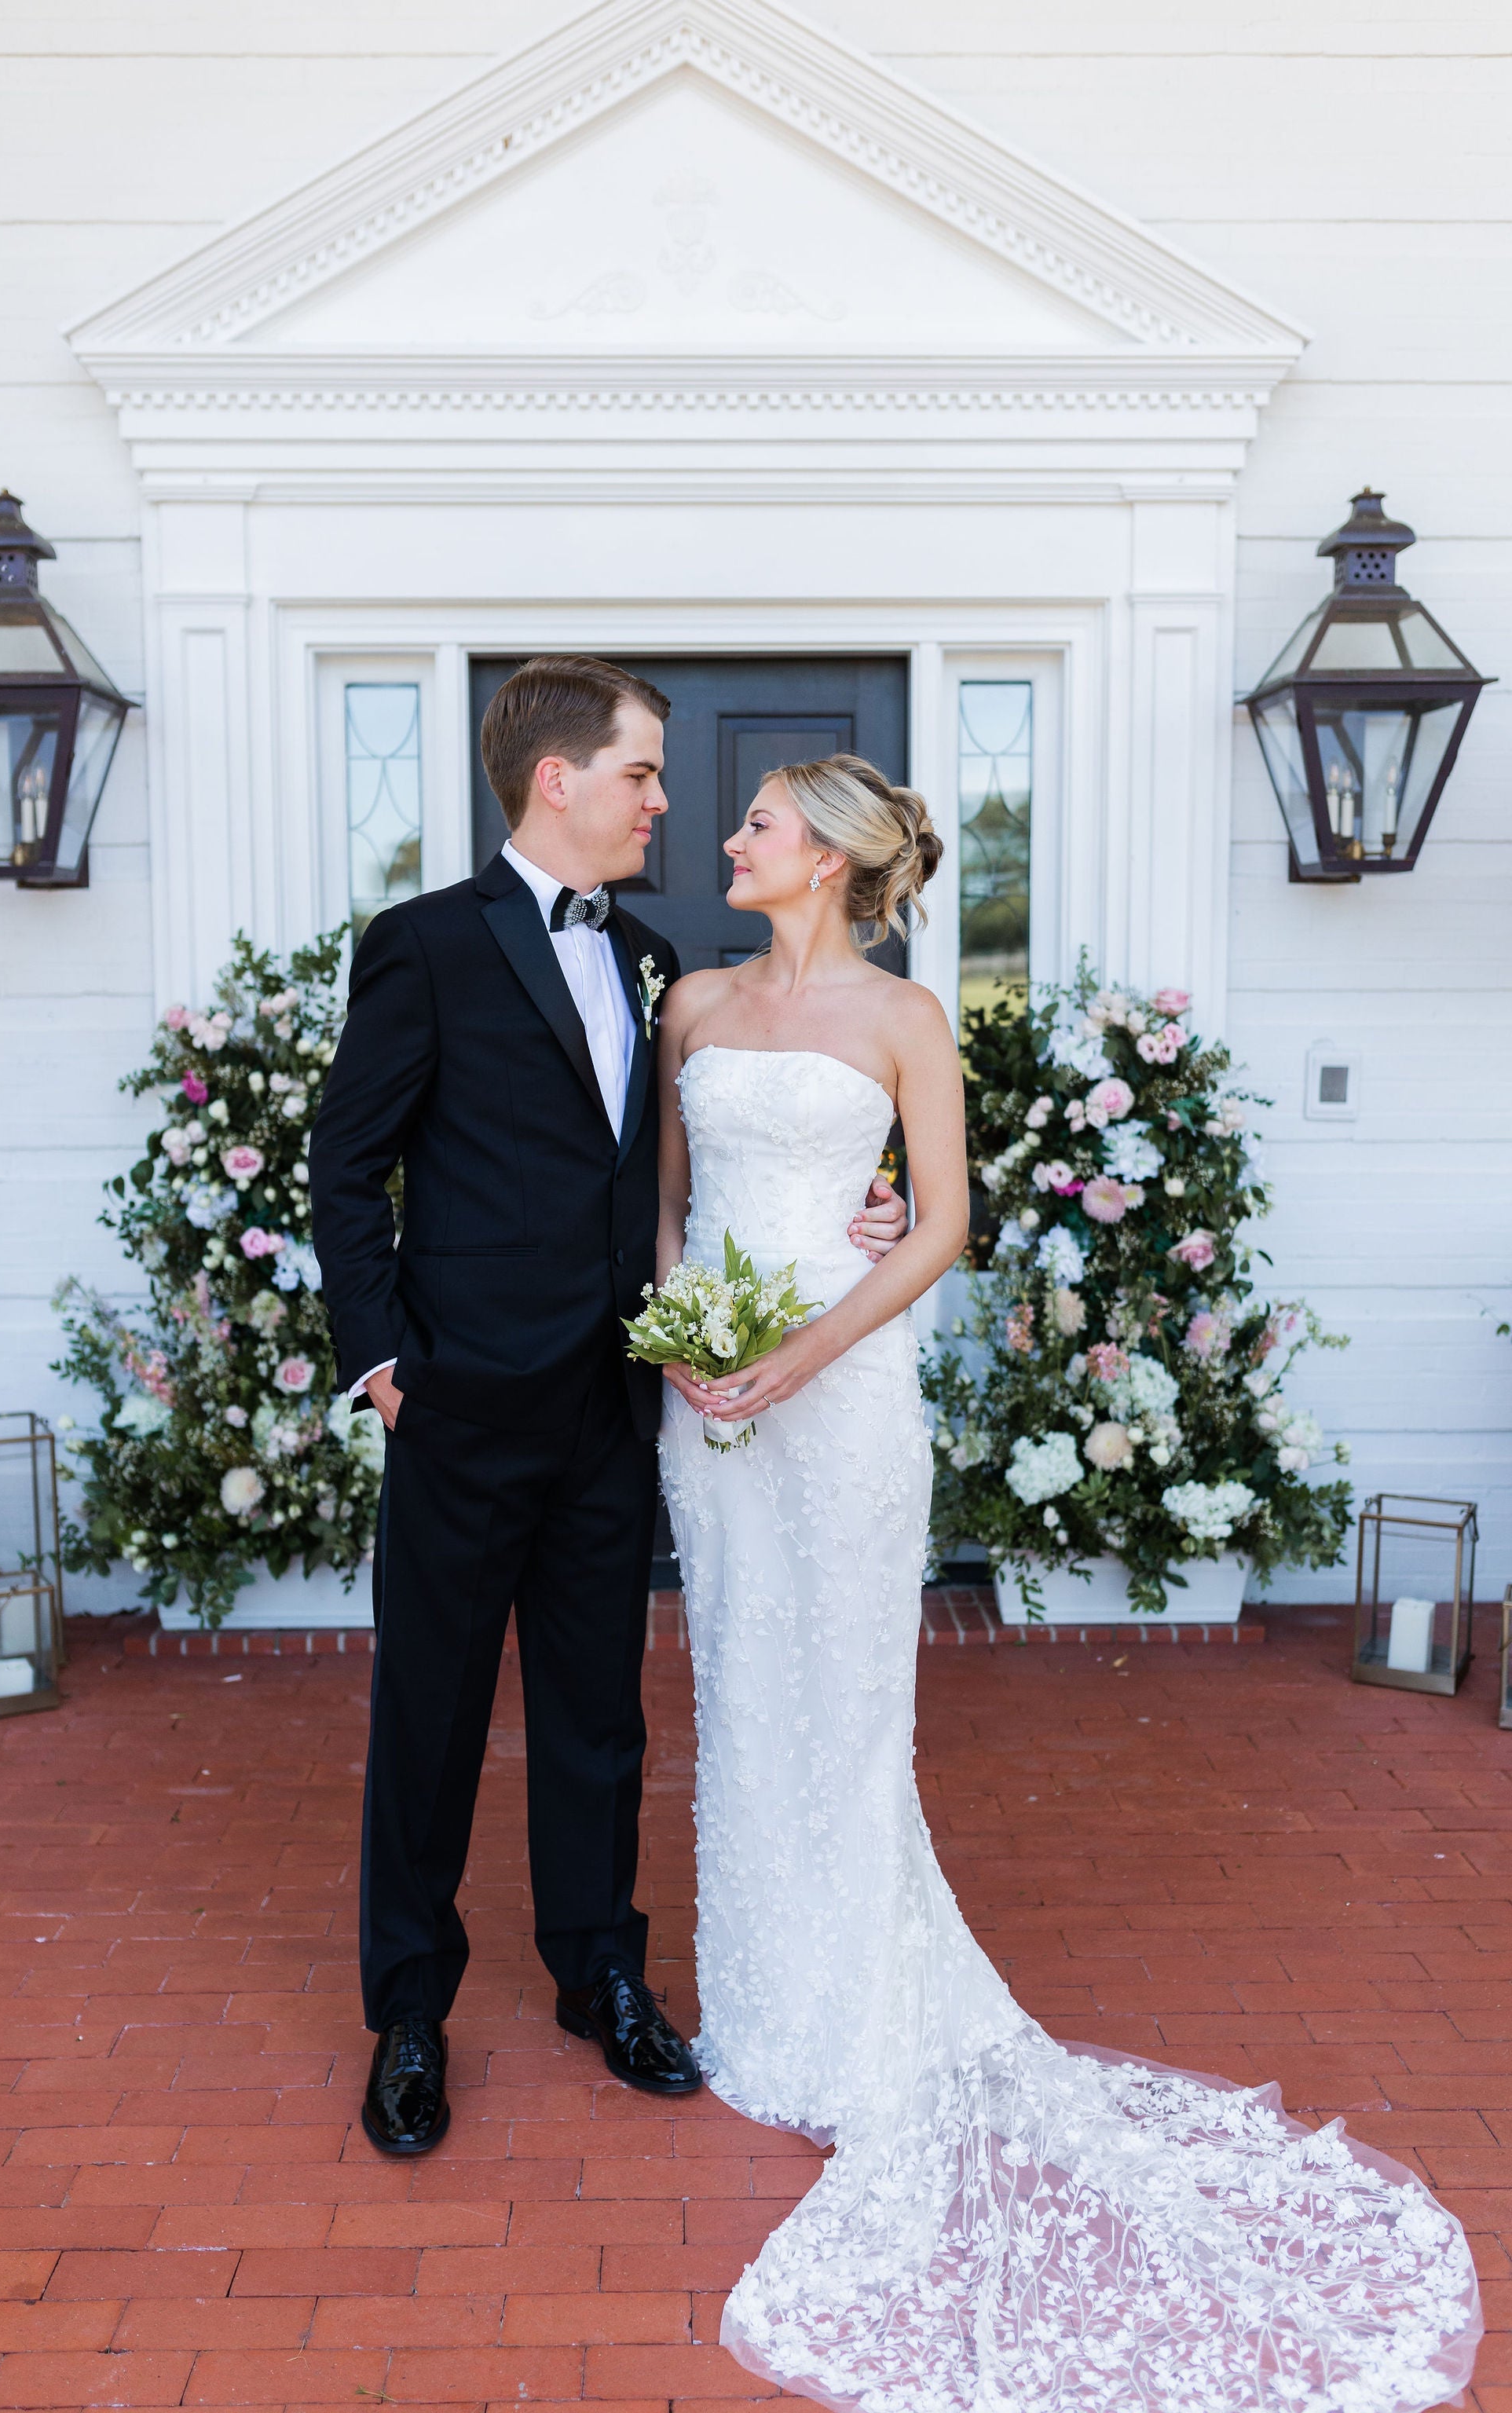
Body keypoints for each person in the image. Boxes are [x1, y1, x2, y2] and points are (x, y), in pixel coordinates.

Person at [656, 754, 1481, 2413]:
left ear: (823, 857)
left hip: (843, 1394)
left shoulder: (903, 1022)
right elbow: (669, 1213)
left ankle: (857, 2014)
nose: (724, 839)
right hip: (711, 1404)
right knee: (741, 1687)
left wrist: (794, 1357)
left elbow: (938, 1227)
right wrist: (692, 1342)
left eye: (753, 822)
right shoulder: (687, 1002)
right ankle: (757, 2010)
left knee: (847, 1707)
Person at [308, 657, 906, 2156]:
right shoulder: (424, 946)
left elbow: (691, 1172)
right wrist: (381, 1363)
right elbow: (345, 1166)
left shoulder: (657, 963)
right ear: (555, 778)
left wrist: (864, 1210)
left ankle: (600, 1979)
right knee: (429, 1721)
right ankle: (409, 2015)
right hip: (451, 1405)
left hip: (612, 1408)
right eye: (641, 772)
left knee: (598, 1720)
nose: (664, 799)